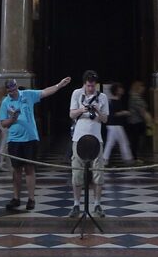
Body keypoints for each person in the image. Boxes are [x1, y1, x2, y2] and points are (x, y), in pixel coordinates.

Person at [0, 75, 71, 211]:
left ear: (16, 87)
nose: (12, 92)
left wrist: (60, 84)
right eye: (9, 91)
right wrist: (13, 118)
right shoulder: (5, 102)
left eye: (14, 89)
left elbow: (45, 92)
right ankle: (16, 198)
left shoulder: (27, 95)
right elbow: (3, 123)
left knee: (30, 169)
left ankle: (31, 199)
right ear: (7, 91)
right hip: (14, 140)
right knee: (16, 170)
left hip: (30, 138)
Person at [69, 70, 109, 219]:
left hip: (96, 138)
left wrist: (98, 110)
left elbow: (105, 120)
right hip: (79, 138)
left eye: (93, 86)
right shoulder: (77, 94)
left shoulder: (103, 97)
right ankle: (76, 204)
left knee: (98, 172)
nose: (91, 88)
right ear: (84, 84)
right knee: (77, 172)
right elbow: (71, 114)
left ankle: (97, 204)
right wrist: (82, 109)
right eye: (89, 86)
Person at [102, 82, 132, 165]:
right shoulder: (114, 101)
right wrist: (124, 113)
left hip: (115, 125)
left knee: (111, 143)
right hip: (115, 125)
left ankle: (105, 159)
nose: (122, 90)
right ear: (116, 90)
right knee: (122, 142)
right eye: (120, 89)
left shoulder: (116, 100)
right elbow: (113, 114)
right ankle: (127, 158)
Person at [127, 80, 151, 162]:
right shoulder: (135, 97)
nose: (143, 89)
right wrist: (149, 121)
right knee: (137, 141)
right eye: (142, 87)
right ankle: (135, 157)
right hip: (136, 123)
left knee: (136, 140)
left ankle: (136, 156)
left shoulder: (135, 97)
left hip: (136, 122)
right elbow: (142, 111)